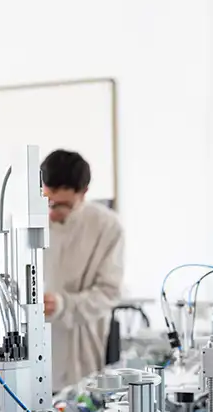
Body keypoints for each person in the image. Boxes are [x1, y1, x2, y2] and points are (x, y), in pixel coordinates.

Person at [41, 149, 124, 390]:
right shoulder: (27, 222)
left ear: (84, 193)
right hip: (33, 352)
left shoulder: (107, 226)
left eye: (63, 204)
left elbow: (108, 293)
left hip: (79, 351)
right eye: (48, 201)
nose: (52, 210)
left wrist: (64, 305)